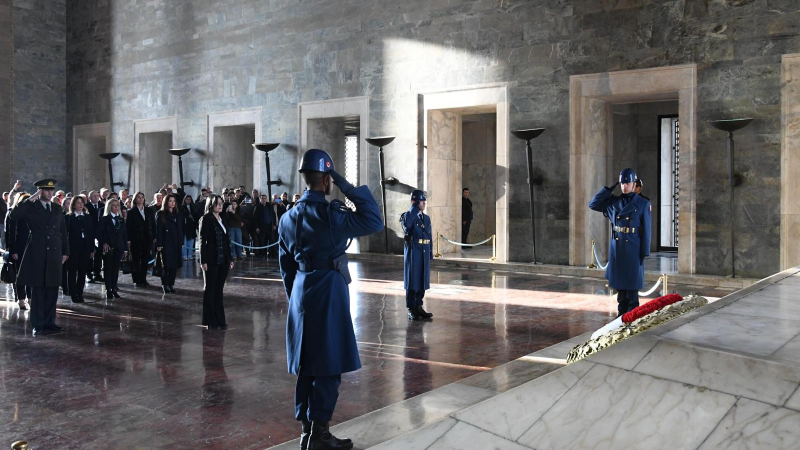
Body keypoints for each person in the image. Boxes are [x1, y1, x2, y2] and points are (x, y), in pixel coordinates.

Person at [278, 149, 382, 450]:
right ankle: (320, 435)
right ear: (327, 179)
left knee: (307, 364)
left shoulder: (287, 218)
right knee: (328, 362)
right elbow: (373, 220)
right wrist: (345, 185)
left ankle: (306, 432)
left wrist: (296, 302)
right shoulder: (331, 215)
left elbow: (285, 268)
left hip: (301, 292)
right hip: (329, 290)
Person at [589, 168, 652, 317]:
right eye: (622, 183)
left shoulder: (643, 203)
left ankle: (632, 316)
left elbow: (647, 229)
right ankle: (621, 315)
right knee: (620, 286)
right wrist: (609, 189)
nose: (624, 186)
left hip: (633, 248)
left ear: (634, 184)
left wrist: (644, 252)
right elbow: (593, 204)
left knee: (632, 286)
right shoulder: (613, 202)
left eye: (627, 183)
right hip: (617, 248)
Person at [10, 179, 69, 336]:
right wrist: (30, 199)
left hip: (55, 252)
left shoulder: (56, 208)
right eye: (46, 190)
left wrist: (66, 251)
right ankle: (38, 324)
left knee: (52, 289)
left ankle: (50, 322)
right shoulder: (31, 207)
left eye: (52, 190)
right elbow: (14, 215)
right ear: (40, 191)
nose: (50, 193)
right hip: (38, 252)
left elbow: (63, 230)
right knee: (38, 290)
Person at [199, 195, 234, 330]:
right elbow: (202, 240)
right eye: (217, 203)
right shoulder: (206, 219)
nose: (220, 206)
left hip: (223, 259)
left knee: (219, 289)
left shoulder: (222, 219)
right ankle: (210, 320)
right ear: (211, 205)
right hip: (211, 259)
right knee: (210, 289)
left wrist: (230, 258)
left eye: (221, 203)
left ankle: (220, 319)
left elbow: (226, 240)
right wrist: (203, 260)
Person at [401, 190, 434, 320]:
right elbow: (407, 225)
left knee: (422, 279)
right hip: (413, 252)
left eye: (425, 201)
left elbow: (429, 236)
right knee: (412, 280)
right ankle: (411, 308)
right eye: (421, 201)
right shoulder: (408, 216)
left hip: (424, 251)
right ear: (414, 202)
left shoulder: (426, 218)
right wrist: (414, 208)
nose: (424, 203)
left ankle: (419, 306)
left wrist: (430, 252)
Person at [65, 196, 95, 303]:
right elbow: (65, 234)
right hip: (73, 248)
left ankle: (79, 293)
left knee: (82, 271)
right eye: (78, 203)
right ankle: (73, 294)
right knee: (72, 272)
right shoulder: (68, 217)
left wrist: (92, 249)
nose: (80, 205)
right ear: (73, 205)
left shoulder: (87, 217)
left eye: (82, 202)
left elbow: (91, 234)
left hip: (85, 247)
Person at [97, 198, 128, 300]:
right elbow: (99, 234)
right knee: (108, 268)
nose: (116, 207)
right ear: (109, 207)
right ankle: (108, 289)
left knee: (115, 269)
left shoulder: (121, 220)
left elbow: (124, 235)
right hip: (109, 247)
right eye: (113, 205)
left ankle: (114, 288)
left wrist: (125, 249)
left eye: (117, 205)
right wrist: (104, 243)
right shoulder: (104, 219)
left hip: (118, 247)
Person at [6, 192, 32, 309]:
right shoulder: (15, 215)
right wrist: (13, 251)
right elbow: (11, 234)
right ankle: (21, 299)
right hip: (19, 248)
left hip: (31, 248)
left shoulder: (33, 214)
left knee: (31, 273)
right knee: (20, 274)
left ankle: (30, 297)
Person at [155, 193, 184, 294]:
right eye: (170, 201)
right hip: (166, 243)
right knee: (166, 265)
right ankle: (165, 284)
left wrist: (181, 241)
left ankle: (171, 284)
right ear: (166, 202)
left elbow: (181, 229)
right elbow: (158, 230)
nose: (172, 203)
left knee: (174, 266)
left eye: (173, 201)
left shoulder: (178, 214)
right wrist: (159, 244)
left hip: (176, 243)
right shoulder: (161, 214)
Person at [126, 191, 155, 287]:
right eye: (138, 197)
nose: (141, 199)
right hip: (136, 239)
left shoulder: (149, 210)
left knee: (145, 259)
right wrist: (129, 240)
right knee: (136, 260)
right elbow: (128, 227)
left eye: (142, 197)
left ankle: (143, 278)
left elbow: (153, 224)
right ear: (135, 199)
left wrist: (154, 236)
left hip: (147, 238)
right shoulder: (131, 212)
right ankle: (136, 279)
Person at [86, 190, 105, 283]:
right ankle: (89, 274)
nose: (96, 197)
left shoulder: (102, 206)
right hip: (90, 233)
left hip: (100, 234)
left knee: (99, 255)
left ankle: (97, 273)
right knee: (90, 254)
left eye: (97, 196)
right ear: (89, 197)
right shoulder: (86, 207)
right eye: (94, 196)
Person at [254, 194, 277, 258]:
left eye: (265, 198)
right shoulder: (257, 207)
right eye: (262, 198)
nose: (263, 200)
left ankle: (272, 253)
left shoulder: (269, 206)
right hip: (262, 227)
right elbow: (255, 218)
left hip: (269, 226)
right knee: (263, 241)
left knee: (271, 240)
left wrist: (274, 224)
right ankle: (263, 254)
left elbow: (273, 215)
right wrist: (256, 227)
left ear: (266, 199)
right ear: (260, 199)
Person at [182, 195, 198, 261]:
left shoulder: (193, 207)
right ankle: (184, 255)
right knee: (184, 242)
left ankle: (190, 255)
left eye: (189, 199)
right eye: (187, 199)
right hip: (185, 227)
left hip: (191, 227)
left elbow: (196, 216)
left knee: (191, 242)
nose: (188, 201)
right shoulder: (182, 208)